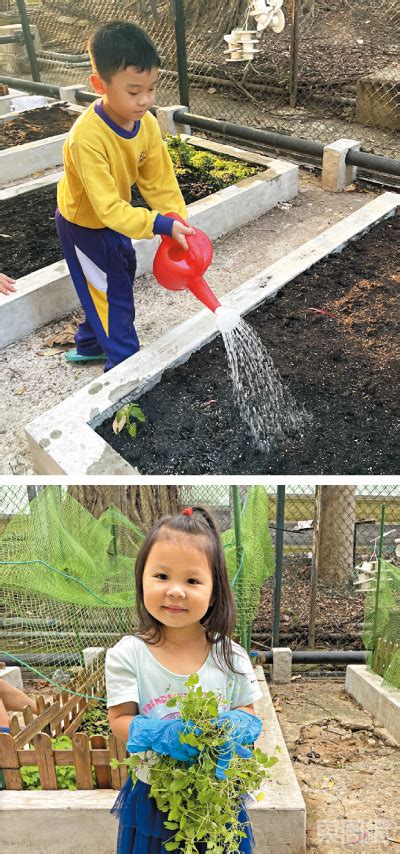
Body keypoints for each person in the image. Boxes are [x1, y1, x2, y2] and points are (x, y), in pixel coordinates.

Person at [105, 506, 263, 854]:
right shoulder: (127, 654)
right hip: (155, 795)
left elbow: (248, 712)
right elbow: (118, 719)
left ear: (214, 591)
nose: (176, 591)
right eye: (161, 576)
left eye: (192, 581)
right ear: (141, 579)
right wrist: (161, 735)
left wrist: (235, 726)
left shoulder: (230, 654)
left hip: (216, 795)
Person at [56, 21, 194, 372]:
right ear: (99, 85)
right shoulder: (87, 138)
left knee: (118, 274)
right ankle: (124, 367)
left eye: (151, 89)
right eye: (134, 92)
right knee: (112, 294)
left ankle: (88, 343)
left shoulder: (144, 123)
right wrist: (156, 223)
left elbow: (159, 180)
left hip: (114, 217)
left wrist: (177, 221)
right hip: (84, 225)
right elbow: (106, 209)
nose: (145, 100)